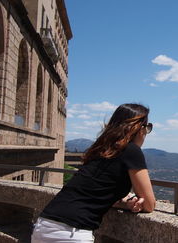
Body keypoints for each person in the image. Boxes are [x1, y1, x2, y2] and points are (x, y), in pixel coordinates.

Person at [31, 103, 156, 243]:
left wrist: (125, 203)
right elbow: (149, 204)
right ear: (139, 128)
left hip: (43, 225)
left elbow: (96, 193)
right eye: (147, 127)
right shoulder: (132, 151)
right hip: (71, 233)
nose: (146, 133)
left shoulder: (100, 150)